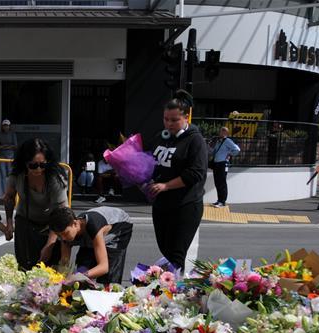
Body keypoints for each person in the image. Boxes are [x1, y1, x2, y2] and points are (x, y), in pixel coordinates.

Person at [144, 90, 208, 271]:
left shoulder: (195, 140)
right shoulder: (160, 137)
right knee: (165, 249)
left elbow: (195, 173)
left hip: (186, 205)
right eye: (166, 119)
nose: (169, 124)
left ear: (186, 117)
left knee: (176, 256)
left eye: (174, 120)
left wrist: (165, 185)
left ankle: (170, 294)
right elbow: (150, 163)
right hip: (161, 205)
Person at [2, 137, 69, 270]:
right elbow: (9, 197)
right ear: (24, 162)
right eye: (33, 165)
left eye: (42, 165)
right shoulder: (17, 174)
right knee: (25, 266)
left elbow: (60, 214)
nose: (38, 169)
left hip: (52, 225)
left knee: (49, 268)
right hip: (25, 222)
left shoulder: (55, 178)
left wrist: (49, 245)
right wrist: (9, 223)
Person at [47, 206, 133, 285]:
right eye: (59, 235)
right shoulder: (65, 234)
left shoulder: (93, 226)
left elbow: (104, 267)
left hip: (119, 229)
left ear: (75, 223)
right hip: (90, 235)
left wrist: (77, 277)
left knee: (108, 278)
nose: (63, 239)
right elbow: (64, 263)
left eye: (65, 233)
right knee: (82, 267)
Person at [209, 126, 240, 207]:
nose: (220, 132)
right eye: (220, 131)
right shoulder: (219, 141)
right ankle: (219, 200)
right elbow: (214, 152)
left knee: (222, 183)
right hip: (216, 164)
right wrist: (209, 147)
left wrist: (229, 153)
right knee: (217, 183)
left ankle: (222, 202)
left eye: (221, 131)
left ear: (225, 133)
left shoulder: (228, 141)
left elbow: (237, 149)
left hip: (222, 164)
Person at [0, 119, 18, 188]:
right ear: (2, 126)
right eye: (4, 125)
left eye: (7, 125)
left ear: (9, 126)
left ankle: (10, 194)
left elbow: (15, 146)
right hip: (2, 156)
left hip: (10, 156)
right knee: (3, 175)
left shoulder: (13, 134)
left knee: (10, 174)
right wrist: (9, 146)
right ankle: (4, 194)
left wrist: (4, 146)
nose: (6, 127)